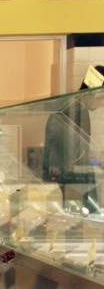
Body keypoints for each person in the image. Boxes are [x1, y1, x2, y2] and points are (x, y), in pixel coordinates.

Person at [42, 66, 104, 206]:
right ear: (95, 93)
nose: (103, 104)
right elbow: (73, 156)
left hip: (63, 178)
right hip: (69, 180)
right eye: (103, 99)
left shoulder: (71, 106)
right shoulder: (77, 110)